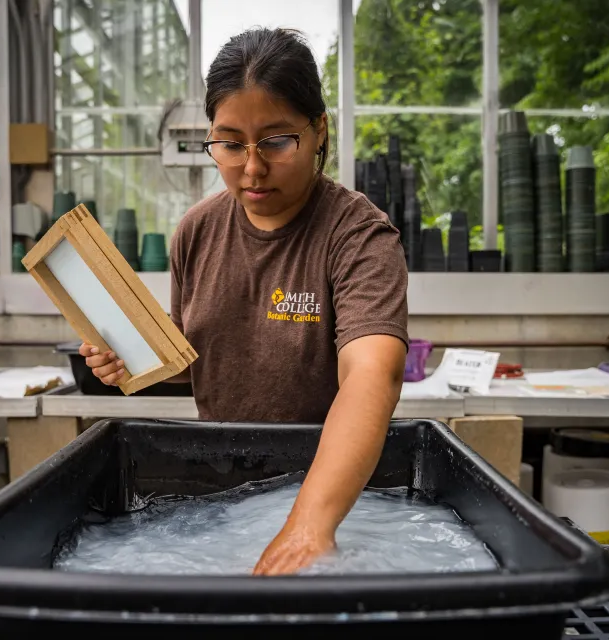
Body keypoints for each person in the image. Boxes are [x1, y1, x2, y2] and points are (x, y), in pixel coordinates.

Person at [79, 28, 408, 575]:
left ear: (319, 130)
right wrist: (136, 360)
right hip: (221, 494)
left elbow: (374, 375)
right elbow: (198, 363)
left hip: (336, 499)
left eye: (276, 141)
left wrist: (309, 525)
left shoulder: (357, 234)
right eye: (230, 143)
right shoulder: (198, 231)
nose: (251, 168)